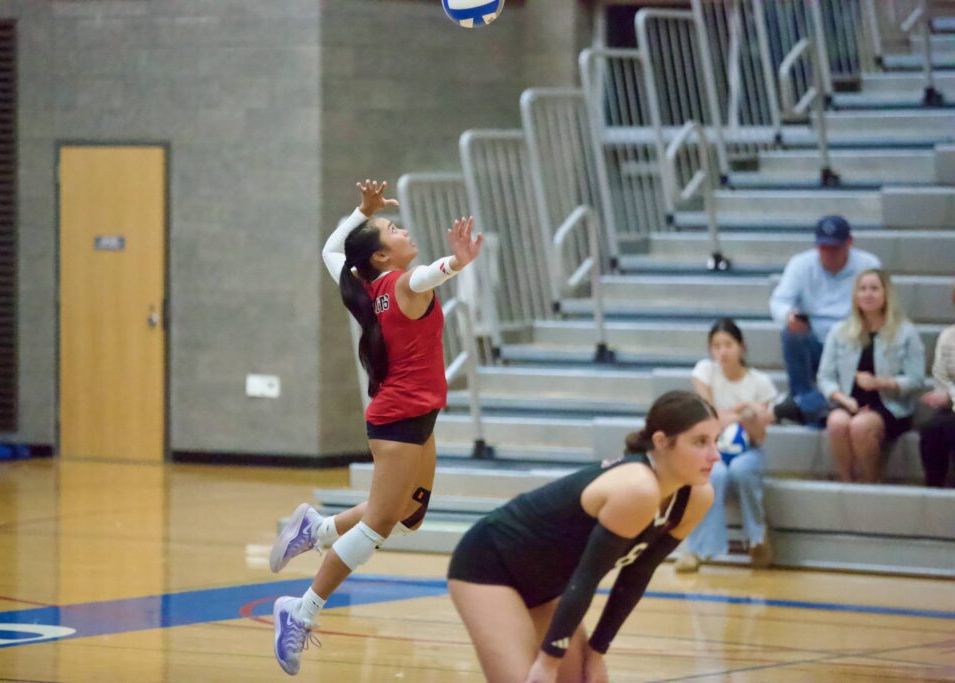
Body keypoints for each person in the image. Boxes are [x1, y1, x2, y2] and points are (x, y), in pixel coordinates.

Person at [270, 179, 482, 676]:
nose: (403, 229)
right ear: (384, 257)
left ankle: (316, 528)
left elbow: (331, 249)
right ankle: (299, 612)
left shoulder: (364, 286)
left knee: (409, 513)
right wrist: (458, 263)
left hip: (416, 415)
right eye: (392, 228)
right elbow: (429, 275)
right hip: (399, 420)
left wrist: (359, 210)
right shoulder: (403, 283)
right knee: (376, 527)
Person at [447, 391, 719, 683]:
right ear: (661, 442)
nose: (714, 454)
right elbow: (587, 577)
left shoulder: (696, 497)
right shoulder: (638, 488)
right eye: (700, 442)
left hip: (546, 584)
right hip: (490, 565)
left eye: (716, 440)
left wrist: (597, 653)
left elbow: (638, 573)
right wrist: (548, 664)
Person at [675, 319, 777, 573]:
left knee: (742, 470)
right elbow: (707, 418)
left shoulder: (760, 382)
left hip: (748, 450)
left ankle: (758, 539)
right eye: (716, 346)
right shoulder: (705, 371)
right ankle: (696, 549)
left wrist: (742, 418)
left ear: (741, 347)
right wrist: (744, 409)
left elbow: (759, 436)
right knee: (714, 474)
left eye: (728, 345)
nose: (722, 351)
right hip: (713, 449)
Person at [769, 215, 881, 424]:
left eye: (835, 248)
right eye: (824, 248)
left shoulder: (869, 265)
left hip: (852, 342)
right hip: (815, 342)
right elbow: (779, 300)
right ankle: (806, 398)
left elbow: (882, 305)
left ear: (849, 243)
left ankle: (810, 407)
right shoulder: (801, 264)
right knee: (790, 333)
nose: (828, 254)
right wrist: (789, 316)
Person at [818, 269, 925, 483]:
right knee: (836, 422)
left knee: (860, 426)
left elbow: (916, 379)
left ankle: (869, 484)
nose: (868, 294)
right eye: (862, 289)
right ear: (855, 295)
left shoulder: (905, 332)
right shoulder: (840, 331)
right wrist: (843, 399)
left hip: (891, 406)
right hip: (850, 402)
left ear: (886, 294)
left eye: (874, 289)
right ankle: (845, 482)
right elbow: (825, 377)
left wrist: (880, 382)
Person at [919, 282, 955, 487]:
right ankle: (934, 488)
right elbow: (940, 376)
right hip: (952, 405)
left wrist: (950, 396)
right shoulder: (948, 336)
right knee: (933, 429)